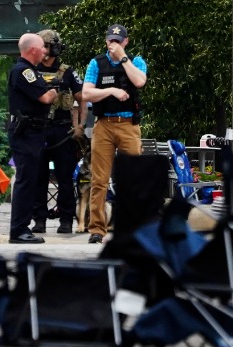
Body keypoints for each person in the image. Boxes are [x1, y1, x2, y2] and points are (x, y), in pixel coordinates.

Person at [82, 23, 147, 244]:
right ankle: (97, 229)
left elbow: (139, 81)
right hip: (104, 124)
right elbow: (86, 93)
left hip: (128, 124)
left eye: (118, 41)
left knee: (132, 178)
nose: (114, 44)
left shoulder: (136, 61)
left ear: (126, 42)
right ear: (106, 41)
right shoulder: (96, 63)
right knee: (99, 180)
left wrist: (123, 58)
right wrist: (110, 90)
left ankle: (131, 227)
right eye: (111, 41)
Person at [6, 32, 59, 244]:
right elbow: (45, 97)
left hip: (33, 133)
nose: (45, 52)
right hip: (26, 133)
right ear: (32, 50)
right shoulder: (24, 71)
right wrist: (55, 90)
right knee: (26, 181)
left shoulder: (29, 71)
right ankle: (18, 229)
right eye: (42, 48)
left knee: (30, 180)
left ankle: (22, 227)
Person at [31, 29, 85, 235]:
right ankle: (39, 220)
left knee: (64, 178)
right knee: (39, 177)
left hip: (62, 131)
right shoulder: (31, 70)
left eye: (46, 45)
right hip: (38, 129)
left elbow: (82, 99)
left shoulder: (68, 72)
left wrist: (80, 126)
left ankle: (66, 220)